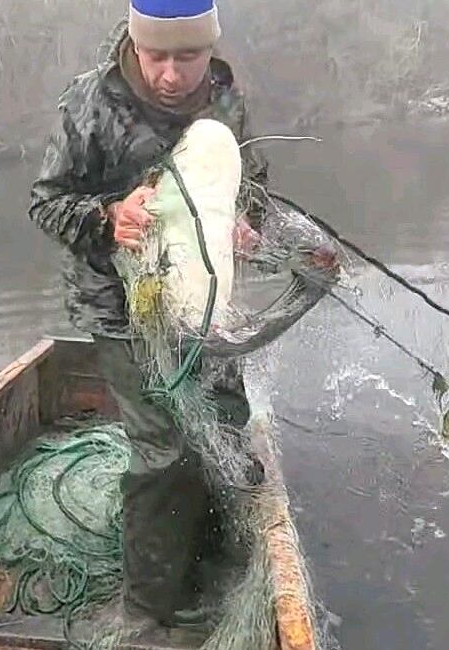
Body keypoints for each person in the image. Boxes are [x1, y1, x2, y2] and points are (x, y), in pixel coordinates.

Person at [28, 0, 283, 629]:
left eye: (187, 56)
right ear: (136, 48)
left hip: (201, 311)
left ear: (211, 51)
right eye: (157, 56)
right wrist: (109, 218)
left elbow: (253, 190)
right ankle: (149, 607)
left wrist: (248, 226)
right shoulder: (90, 104)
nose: (171, 73)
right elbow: (47, 204)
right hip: (119, 309)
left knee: (225, 428)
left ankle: (218, 559)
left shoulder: (228, 103)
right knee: (163, 448)